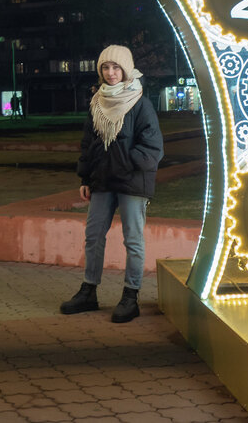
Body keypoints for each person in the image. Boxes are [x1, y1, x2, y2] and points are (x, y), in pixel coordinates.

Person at [61, 45, 163, 322]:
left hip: (132, 180)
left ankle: (131, 296)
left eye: (116, 67)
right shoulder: (97, 102)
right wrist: (85, 177)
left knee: (133, 239)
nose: (111, 72)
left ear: (126, 69)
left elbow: (153, 147)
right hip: (102, 180)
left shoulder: (140, 102)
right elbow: (88, 142)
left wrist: (125, 160)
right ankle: (89, 291)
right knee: (93, 236)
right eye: (105, 67)